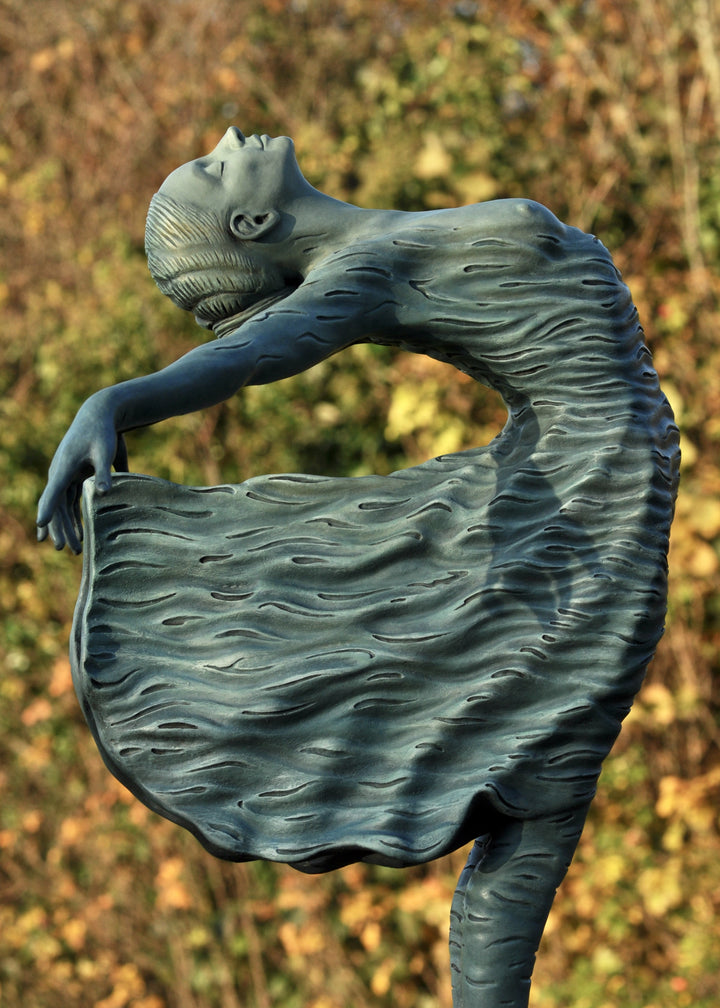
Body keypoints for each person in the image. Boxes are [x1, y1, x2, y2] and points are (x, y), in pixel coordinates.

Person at [38, 125, 589, 553]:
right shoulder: (359, 273)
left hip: (597, 456)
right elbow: (245, 354)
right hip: (594, 467)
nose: (227, 138)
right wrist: (110, 403)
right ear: (251, 222)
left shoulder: (375, 245)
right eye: (215, 169)